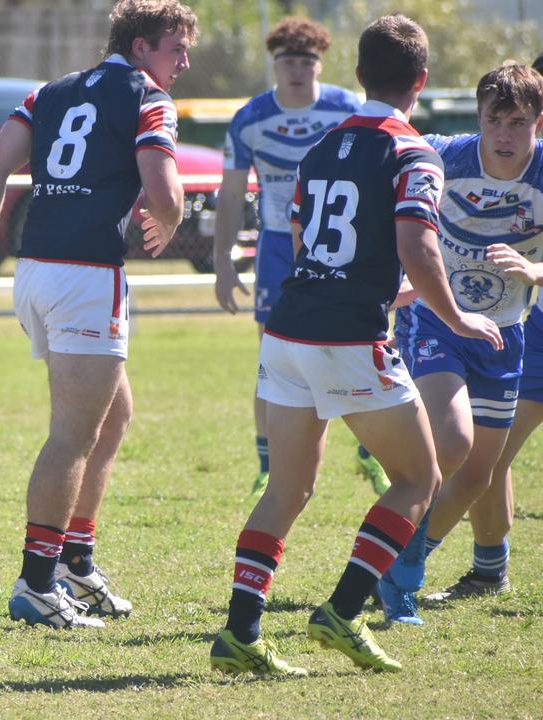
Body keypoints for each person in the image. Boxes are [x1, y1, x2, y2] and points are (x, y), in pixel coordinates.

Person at [207, 14, 503, 677]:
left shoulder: (320, 146)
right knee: (418, 479)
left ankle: (240, 632)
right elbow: (418, 246)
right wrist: (455, 317)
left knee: (287, 488)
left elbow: (311, 242)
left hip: (287, 330)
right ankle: (341, 612)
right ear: (420, 82)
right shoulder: (412, 151)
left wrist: (387, 292)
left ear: (359, 76)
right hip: (346, 340)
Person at [0, 0, 196, 629]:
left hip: (34, 272)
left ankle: (76, 563)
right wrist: (171, 219)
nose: (184, 64)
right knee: (73, 436)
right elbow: (164, 193)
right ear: (140, 47)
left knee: (115, 417)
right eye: (176, 50)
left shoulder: (48, 92)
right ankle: (37, 582)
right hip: (86, 278)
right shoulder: (148, 97)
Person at [377, 62, 543, 623]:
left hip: (505, 332)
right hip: (438, 320)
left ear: (538, 125)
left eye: (517, 122)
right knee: (452, 441)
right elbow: (378, 194)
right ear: (477, 118)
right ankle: (400, 576)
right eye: (494, 119)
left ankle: (401, 563)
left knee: (478, 476)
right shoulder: (442, 154)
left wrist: (534, 270)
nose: (504, 134)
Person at [212, 18, 391, 498]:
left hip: (346, 246)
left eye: (306, 61)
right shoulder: (250, 117)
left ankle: (374, 454)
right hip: (276, 248)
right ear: (274, 65)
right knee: (274, 359)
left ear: (321, 65)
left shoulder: (347, 108)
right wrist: (223, 260)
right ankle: (268, 465)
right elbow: (230, 196)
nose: (297, 70)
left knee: (368, 344)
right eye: (287, 61)